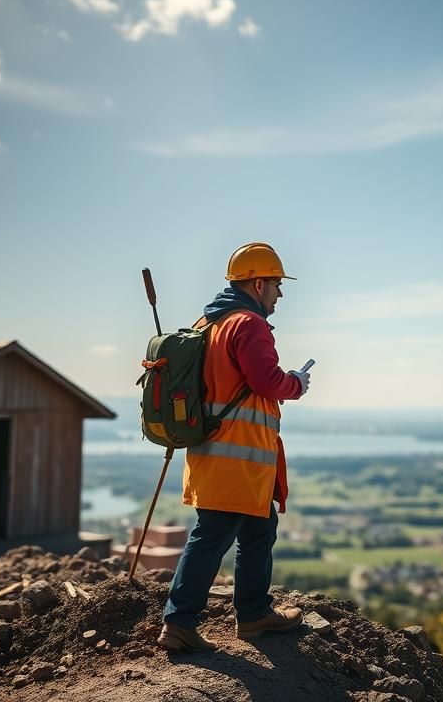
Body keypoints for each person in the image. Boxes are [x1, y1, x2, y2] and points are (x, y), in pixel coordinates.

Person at [158, 242, 311, 652]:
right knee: (213, 534)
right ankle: (179, 623)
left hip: (215, 451)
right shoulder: (248, 324)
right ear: (258, 283)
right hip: (237, 455)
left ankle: (255, 613)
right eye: (277, 285)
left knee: (259, 530)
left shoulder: (208, 324)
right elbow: (266, 381)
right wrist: (296, 383)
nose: (280, 294)